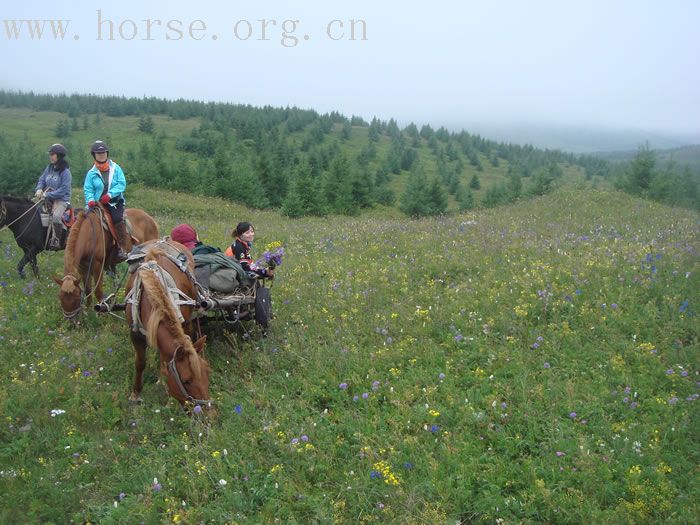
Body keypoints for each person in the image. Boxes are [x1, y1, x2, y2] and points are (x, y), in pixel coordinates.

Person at [83, 140, 129, 262]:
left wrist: (110, 195)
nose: (101, 155)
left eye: (103, 152)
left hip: (114, 203)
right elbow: (88, 189)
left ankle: (121, 247)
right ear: (94, 155)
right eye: (98, 153)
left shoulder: (116, 168)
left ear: (107, 153)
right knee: (86, 220)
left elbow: (121, 184)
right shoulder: (91, 173)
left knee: (117, 219)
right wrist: (91, 200)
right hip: (97, 204)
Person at [35, 144, 71, 250]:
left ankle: (56, 239)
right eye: (50, 154)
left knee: (56, 216)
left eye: (52, 154)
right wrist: (39, 189)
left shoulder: (66, 172)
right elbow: (42, 180)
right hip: (47, 198)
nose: (50, 156)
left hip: (61, 200)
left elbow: (63, 190)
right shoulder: (49, 168)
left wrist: (46, 194)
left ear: (59, 156)